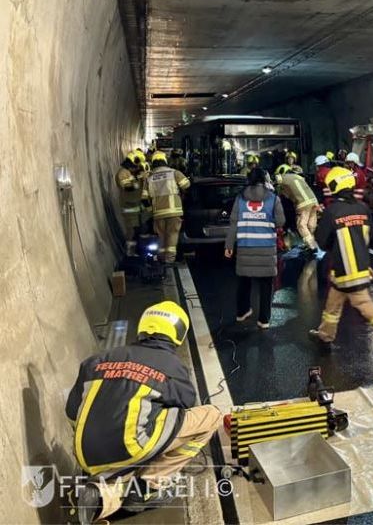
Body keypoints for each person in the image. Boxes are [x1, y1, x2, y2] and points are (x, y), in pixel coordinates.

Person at [67, 302, 222, 523]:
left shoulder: (97, 360)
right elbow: (185, 405)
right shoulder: (172, 367)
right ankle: (149, 485)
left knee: (123, 464)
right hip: (130, 447)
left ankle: (98, 498)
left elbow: (72, 412)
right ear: (178, 333)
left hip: (84, 452)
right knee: (211, 416)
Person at [308, 166, 373, 365]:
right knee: (333, 303)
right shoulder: (363, 208)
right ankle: (325, 335)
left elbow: (322, 241)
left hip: (345, 270)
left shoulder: (332, 211)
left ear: (335, 186)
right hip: (360, 266)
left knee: (364, 305)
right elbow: (370, 235)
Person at [224, 168, 285, 329]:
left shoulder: (240, 198)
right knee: (266, 285)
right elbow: (280, 221)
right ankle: (263, 320)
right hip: (267, 249)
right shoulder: (273, 198)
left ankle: (242, 312)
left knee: (244, 280)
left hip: (245, 246)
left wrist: (229, 245)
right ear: (265, 180)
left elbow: (233, 223)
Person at [142, 151, 191, 263]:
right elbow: (187, 185)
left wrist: (151, 210)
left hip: (158, 213)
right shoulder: (174, 173)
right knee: (172, 234)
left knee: (161, 236)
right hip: (174, 211)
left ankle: (161, 258)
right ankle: (169, 259)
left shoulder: (149, 177)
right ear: (165, 161)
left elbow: (144, 198)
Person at [276, 164, 320, 254]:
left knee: (301, 225)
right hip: (314, 202)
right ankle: (312, 244)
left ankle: (312, 246)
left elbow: (277, 179)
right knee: (311, 225)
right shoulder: (300, 178)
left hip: (303, 204)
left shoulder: (285, 177)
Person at [115, 152, 145, 255]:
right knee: (131, 231)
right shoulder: (123, 173)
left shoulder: (130, 173)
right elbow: (127, 187)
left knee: (137, 230)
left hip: (135, 207)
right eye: (136, 166)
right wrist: (139, 181)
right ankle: (130, 253)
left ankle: (135, 251)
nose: (137, 168)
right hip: (128, 207)